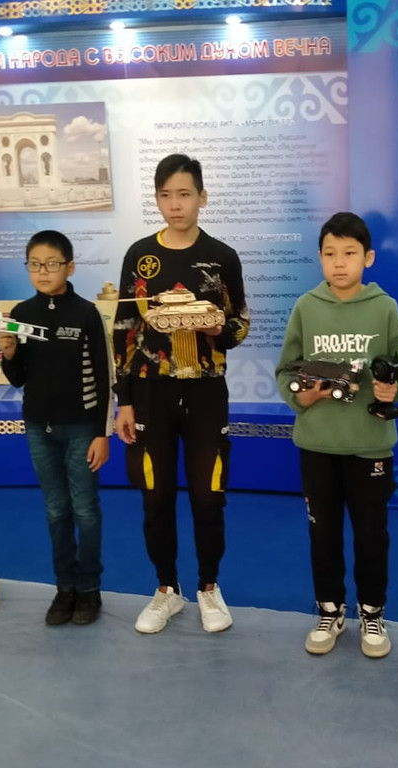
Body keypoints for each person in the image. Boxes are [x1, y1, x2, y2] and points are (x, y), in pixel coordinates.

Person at [113, 154, 249, 634]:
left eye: (185, 194)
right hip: (151, 393)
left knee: (209, 496)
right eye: (166, 195)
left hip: (207, 393)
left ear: (202, 198)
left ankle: (208, 586)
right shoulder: (140, 256)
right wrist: (124, 400)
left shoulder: (222, 257)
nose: (175, 204)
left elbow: (240, 323)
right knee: (156, 496)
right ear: (156, 199)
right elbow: (125, 330)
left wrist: (216, 328)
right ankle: (166, 589)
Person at [276, 212, 398, 658]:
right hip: (317, 445)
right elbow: (285, 371)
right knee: (323, 534)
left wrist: (394, 388)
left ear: (367, 258)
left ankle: (372, 612)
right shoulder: (306, 306)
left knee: (372, 535)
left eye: (349, 253)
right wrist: (303, 396)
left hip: (370, 445)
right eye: (330, 254)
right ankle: (329, 609)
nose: (339, 262)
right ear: (319, 257)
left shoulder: (384, 307)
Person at [0, 230, 113, 626]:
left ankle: (89, 589)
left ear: (70, 267)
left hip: (82, 429)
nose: (42, 272)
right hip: (38, 429)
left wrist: (102, 433)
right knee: (55, 510)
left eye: (51, 264)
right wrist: (8, 353)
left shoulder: (86, 313)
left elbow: (104, 377)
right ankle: (65, 588)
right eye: (34, 264)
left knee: (86, 511)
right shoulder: (21, 313)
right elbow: (17, 377)